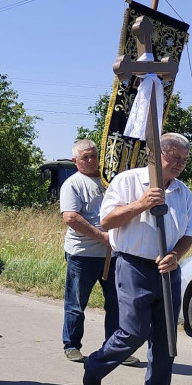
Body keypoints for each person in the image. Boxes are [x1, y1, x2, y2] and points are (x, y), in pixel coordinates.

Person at [82, 133, 192, 385]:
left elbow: (189, 233)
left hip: (167, 270)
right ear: (157, 155)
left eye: (185, 160)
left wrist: (176, 255)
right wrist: (142, 203)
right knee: (134, 331)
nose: (181, 164)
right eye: (175, 158)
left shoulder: (183, 192)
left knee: (166, 339)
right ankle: (96, 366)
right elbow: (107, 221)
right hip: (133, 265)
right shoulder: (128, 181)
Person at [60, 139, 140, 367]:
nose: (91, 160)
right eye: (85, 157)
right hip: (83, 254)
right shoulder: (73, 184)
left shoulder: (111, 181)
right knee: (76, 303)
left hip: (114, 255)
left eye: (94, 155)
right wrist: (103, 237)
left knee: (116, 303)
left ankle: (114, 349)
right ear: (76, 161)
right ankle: (72, 345)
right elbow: (71, 218)